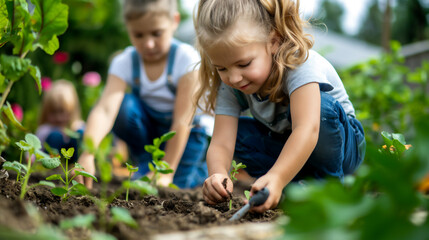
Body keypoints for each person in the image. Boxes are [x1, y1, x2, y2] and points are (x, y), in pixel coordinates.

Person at [194, 0, 366, 213]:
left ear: (273, 41)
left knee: (321, 109)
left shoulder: (299, 64)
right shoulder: (231, 83)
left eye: (244, 64)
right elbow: (221, 142)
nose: (234, 77)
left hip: (342, 146)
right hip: (290, 144)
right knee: (240, 135)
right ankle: (295, 189)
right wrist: (218, 174)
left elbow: (308, 128)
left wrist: (277, 176)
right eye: (221, 68)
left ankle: (331, 190)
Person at [75, 0, 209, 189]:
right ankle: (146, 162)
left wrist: (166, 169)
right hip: (150, 135)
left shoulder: (186, 59)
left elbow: (182, 121)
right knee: (122, 105)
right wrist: (87, 154)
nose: (148, 43)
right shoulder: (125, 62)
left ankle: (202, 170)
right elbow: (105, 110)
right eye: (138, 35)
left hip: (186, 136)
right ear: (128, 28)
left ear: (174, 21)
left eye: (157, 33)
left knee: (177, 187)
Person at [36, 79, 85, 162]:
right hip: (50, 162)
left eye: (63, 112)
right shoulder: (45, 130)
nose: (58, 117)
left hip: (71, 162)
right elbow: (35, 150)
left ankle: (77, 165)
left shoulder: (75, 127)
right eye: (53, 112)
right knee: (55, 136)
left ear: (72, 111)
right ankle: (52, 165)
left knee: (78, 134)